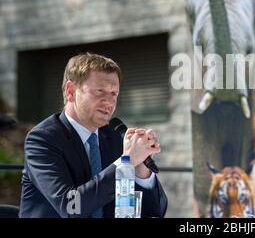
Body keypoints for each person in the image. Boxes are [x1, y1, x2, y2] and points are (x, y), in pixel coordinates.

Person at [19, 53, 168, 218]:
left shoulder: (115, 136)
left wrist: (141, 170)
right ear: (71, 91)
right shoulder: (42, 139)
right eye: (100, 91)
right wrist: (127, 162)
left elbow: (156, 211)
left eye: (114, 94)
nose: (109, 102)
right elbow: (71, 207)